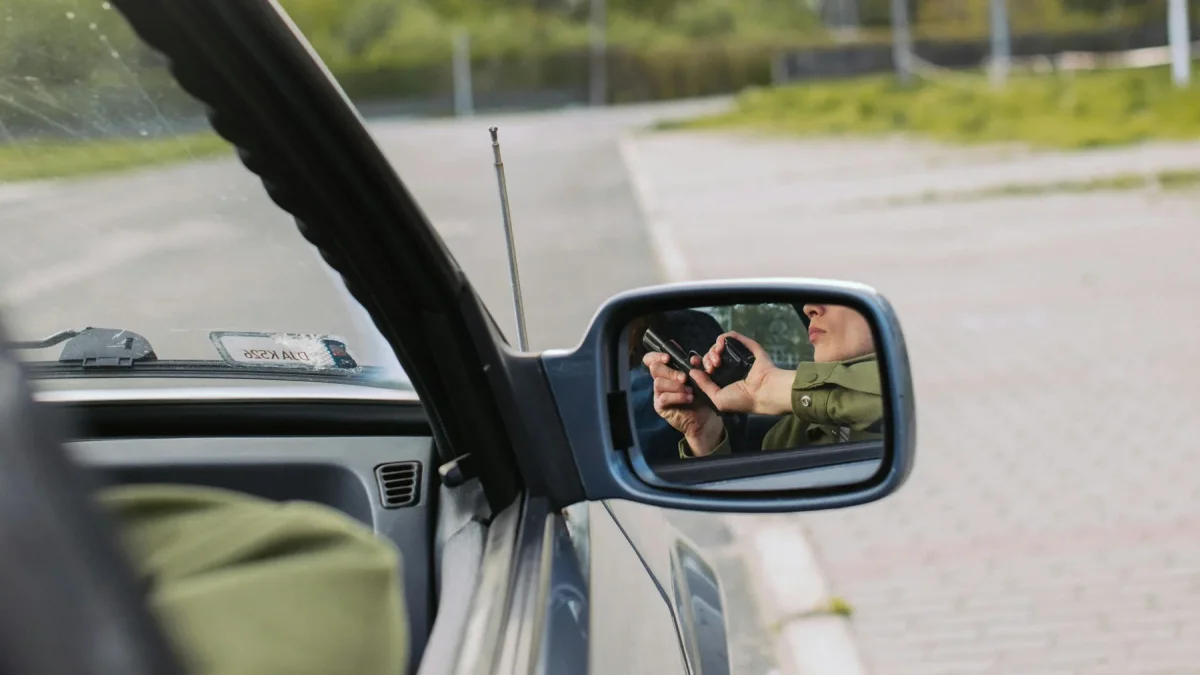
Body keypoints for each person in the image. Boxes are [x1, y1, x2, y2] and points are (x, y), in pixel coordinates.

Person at [643, 303, 884, 458]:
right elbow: (743, 521)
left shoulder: (903, 395)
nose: (809, 308)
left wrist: (771, 386)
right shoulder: (784, 436)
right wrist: (704, 435)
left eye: (835, 294)